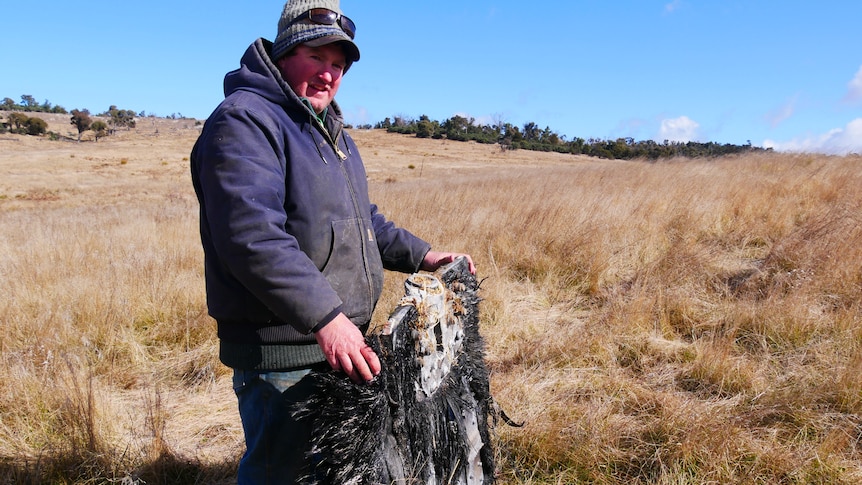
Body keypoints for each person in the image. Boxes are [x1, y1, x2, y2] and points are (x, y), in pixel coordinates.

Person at [190, 0, 475, 482]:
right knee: (281, 471)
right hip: (284, 352)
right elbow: (251, 236)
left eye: (338, 65)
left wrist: (424, 256)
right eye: (316, 58)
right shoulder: (244, 122)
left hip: (335, 343)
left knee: (333, 471)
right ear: (284, 52)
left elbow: (363, 223)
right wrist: (327, 318)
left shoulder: (328, 130)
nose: (329, 74)